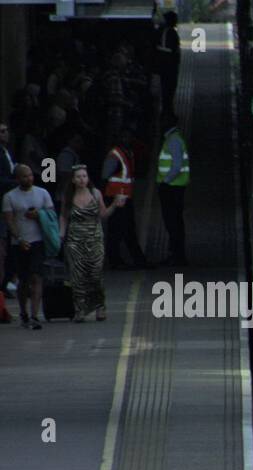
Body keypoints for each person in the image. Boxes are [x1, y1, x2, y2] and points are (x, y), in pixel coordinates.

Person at [60, 166, 125, 322]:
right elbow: (63, 217)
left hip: (94, 239)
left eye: (84, 176)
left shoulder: (96, 194)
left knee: (95, 274)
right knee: (77, 276)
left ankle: (100, 307)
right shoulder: (68, 196)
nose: (82, 179)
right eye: (78, 177)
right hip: (75, 240)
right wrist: (61, 234)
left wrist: (115, 205)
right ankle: (79, 309)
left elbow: (103, 214)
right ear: (73, 180)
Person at [2, 164, 56, 329]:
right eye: (24, 176)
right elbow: (9, 220)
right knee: (23, 279)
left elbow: (51, 215)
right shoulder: (10, 197)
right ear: (17, 179)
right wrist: (18, 238)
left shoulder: (43, 193)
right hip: (19, 244)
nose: (29, 178)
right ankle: (23, 311)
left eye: (30, 175)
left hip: (38, 241)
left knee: (37, 276)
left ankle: (34, 315)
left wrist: (39, 215)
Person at [102, 130, 149, 268]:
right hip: (116, 197)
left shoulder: (128, 153)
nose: (127, 138)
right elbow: (105, 176)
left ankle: (137, 260)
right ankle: (116, 260)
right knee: (117, 229)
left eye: (128, 136)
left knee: (128, 228)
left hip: (125, 197)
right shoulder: (115, 155)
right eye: (124, 136)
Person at [156, 111, 190, 266]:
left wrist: (165, 181)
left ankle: (177, 256)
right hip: (174, 187)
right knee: (174, 222)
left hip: (172, 188)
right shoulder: (173, 139)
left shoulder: (173, 140)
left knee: (173, 222)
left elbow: (176, 166)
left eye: (162, 121)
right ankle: (176, 255)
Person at [0, 122, 16, 320]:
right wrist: (17, 182)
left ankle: (8, 284)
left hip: (10, 204)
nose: (5, 134)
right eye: (1, 131)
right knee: (3, 249)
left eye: (6, 130)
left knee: (9, 247)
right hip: (3, 205)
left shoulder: (6, 151)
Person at [154, 12, 181, 115]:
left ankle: (166, 110)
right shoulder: (170, 33)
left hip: (163, 66)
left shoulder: (161, 31)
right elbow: (174, 51)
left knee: (166, 89)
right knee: (169, 89)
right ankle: (167, 111)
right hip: (169, 66)